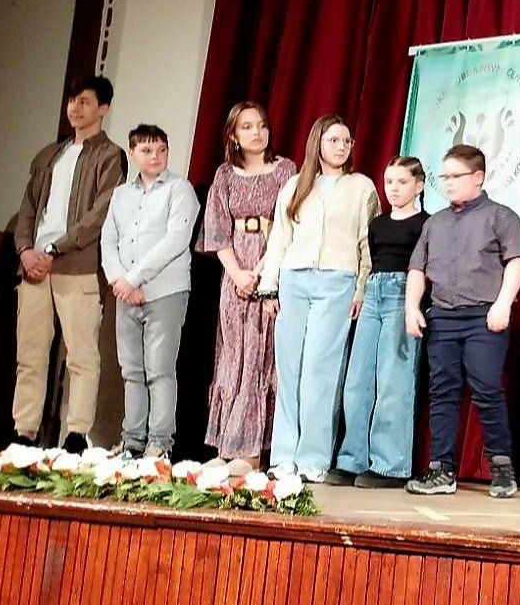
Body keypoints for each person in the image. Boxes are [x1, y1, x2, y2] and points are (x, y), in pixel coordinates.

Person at [256, 115, 380, 483]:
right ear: (318, 144)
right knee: (289, 370)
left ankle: (313, 457)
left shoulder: (362, 187)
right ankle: (283, 456)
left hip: (337, 282)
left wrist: (361, 289)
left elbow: (367, 245)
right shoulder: (295, 185)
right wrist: (269, 286)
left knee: (319, 371)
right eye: (333, 140)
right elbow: (279, 238)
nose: (341, 146)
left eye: (346, 141)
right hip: (294, 280)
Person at [404, 144, 520, 499]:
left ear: (478, 177)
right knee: (442, 392)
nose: (447, 183)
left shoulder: (500, 216)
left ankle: (501, 468)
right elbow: (417, 269)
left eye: (455, 176)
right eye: (443, 177)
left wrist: (502, 304)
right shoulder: (435, 223)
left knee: (486, 388)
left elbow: (517, 260)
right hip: (443, 316)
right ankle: (441, 469)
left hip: (483, 316)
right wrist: (411, 307)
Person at [12, 76, 127, 453]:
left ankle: (76, 433)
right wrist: (25, 250)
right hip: (34, 269)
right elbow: (28, 209)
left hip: (76, 267)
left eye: (85, 101)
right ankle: (24, 431)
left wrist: (54, 249)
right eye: (72, 101)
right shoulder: (50, 155)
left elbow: (100, 214)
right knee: (30, 356)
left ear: (103, 108)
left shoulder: (109, 156)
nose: (75, 108)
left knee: (81, 356)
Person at [196, 102, 296, 468]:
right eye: (248, 127)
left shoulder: (285, 170)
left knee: (258, 358)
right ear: (234, 135)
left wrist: (260, 271)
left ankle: (251, 453)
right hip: (234, 272)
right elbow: (217, 231)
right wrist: (238, 273)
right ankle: (226, 448)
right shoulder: (225, 174)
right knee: (232, 359)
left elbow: (288, 225)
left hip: (269, 268)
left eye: (262, 125)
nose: (257, 132)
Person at [101, 125, 199, 459]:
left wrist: (134, 279)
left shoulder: (179, 189)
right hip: (126, 293)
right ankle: (132, 441)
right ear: (132, 153)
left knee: (159, 369)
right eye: (146, 150)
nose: (155, 156)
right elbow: (108, 240)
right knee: (131, 370)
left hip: (165, 290)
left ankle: (159, 442)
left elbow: (175, 240)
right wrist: (120, 280)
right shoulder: (121, 195)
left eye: (161, 150)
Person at [330, 156, 430, 487]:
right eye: (389, 182)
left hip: (403, 294)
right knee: (357, 379)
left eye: (402, 182)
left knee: (393, 381)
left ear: (419, 185)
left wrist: (415, 304)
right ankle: (352, 459)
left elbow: (424, 267)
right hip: (374, 292)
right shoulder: (378, 224)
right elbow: (371, 260)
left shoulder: (425, 224)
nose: (394, 189)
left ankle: (390, 465)